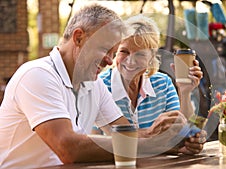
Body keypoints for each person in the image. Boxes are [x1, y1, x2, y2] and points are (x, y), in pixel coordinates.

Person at [0, 4, 130, 168]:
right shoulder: (36, 74)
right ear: (78, 38)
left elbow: (126, 132)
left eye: (113, 53)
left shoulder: (95, 84)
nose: (110, 61)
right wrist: (138, 146)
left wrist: (162, 137)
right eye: (105, 49)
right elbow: (68, 149)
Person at [99, 14, 206, 155]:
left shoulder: (163, 83)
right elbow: (98, 140)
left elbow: (180, 129)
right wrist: (160, 139)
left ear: (151, 58)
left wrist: (185, 92)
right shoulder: (100, 86)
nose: (130, 61)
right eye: (124, 51)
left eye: (140, 54)